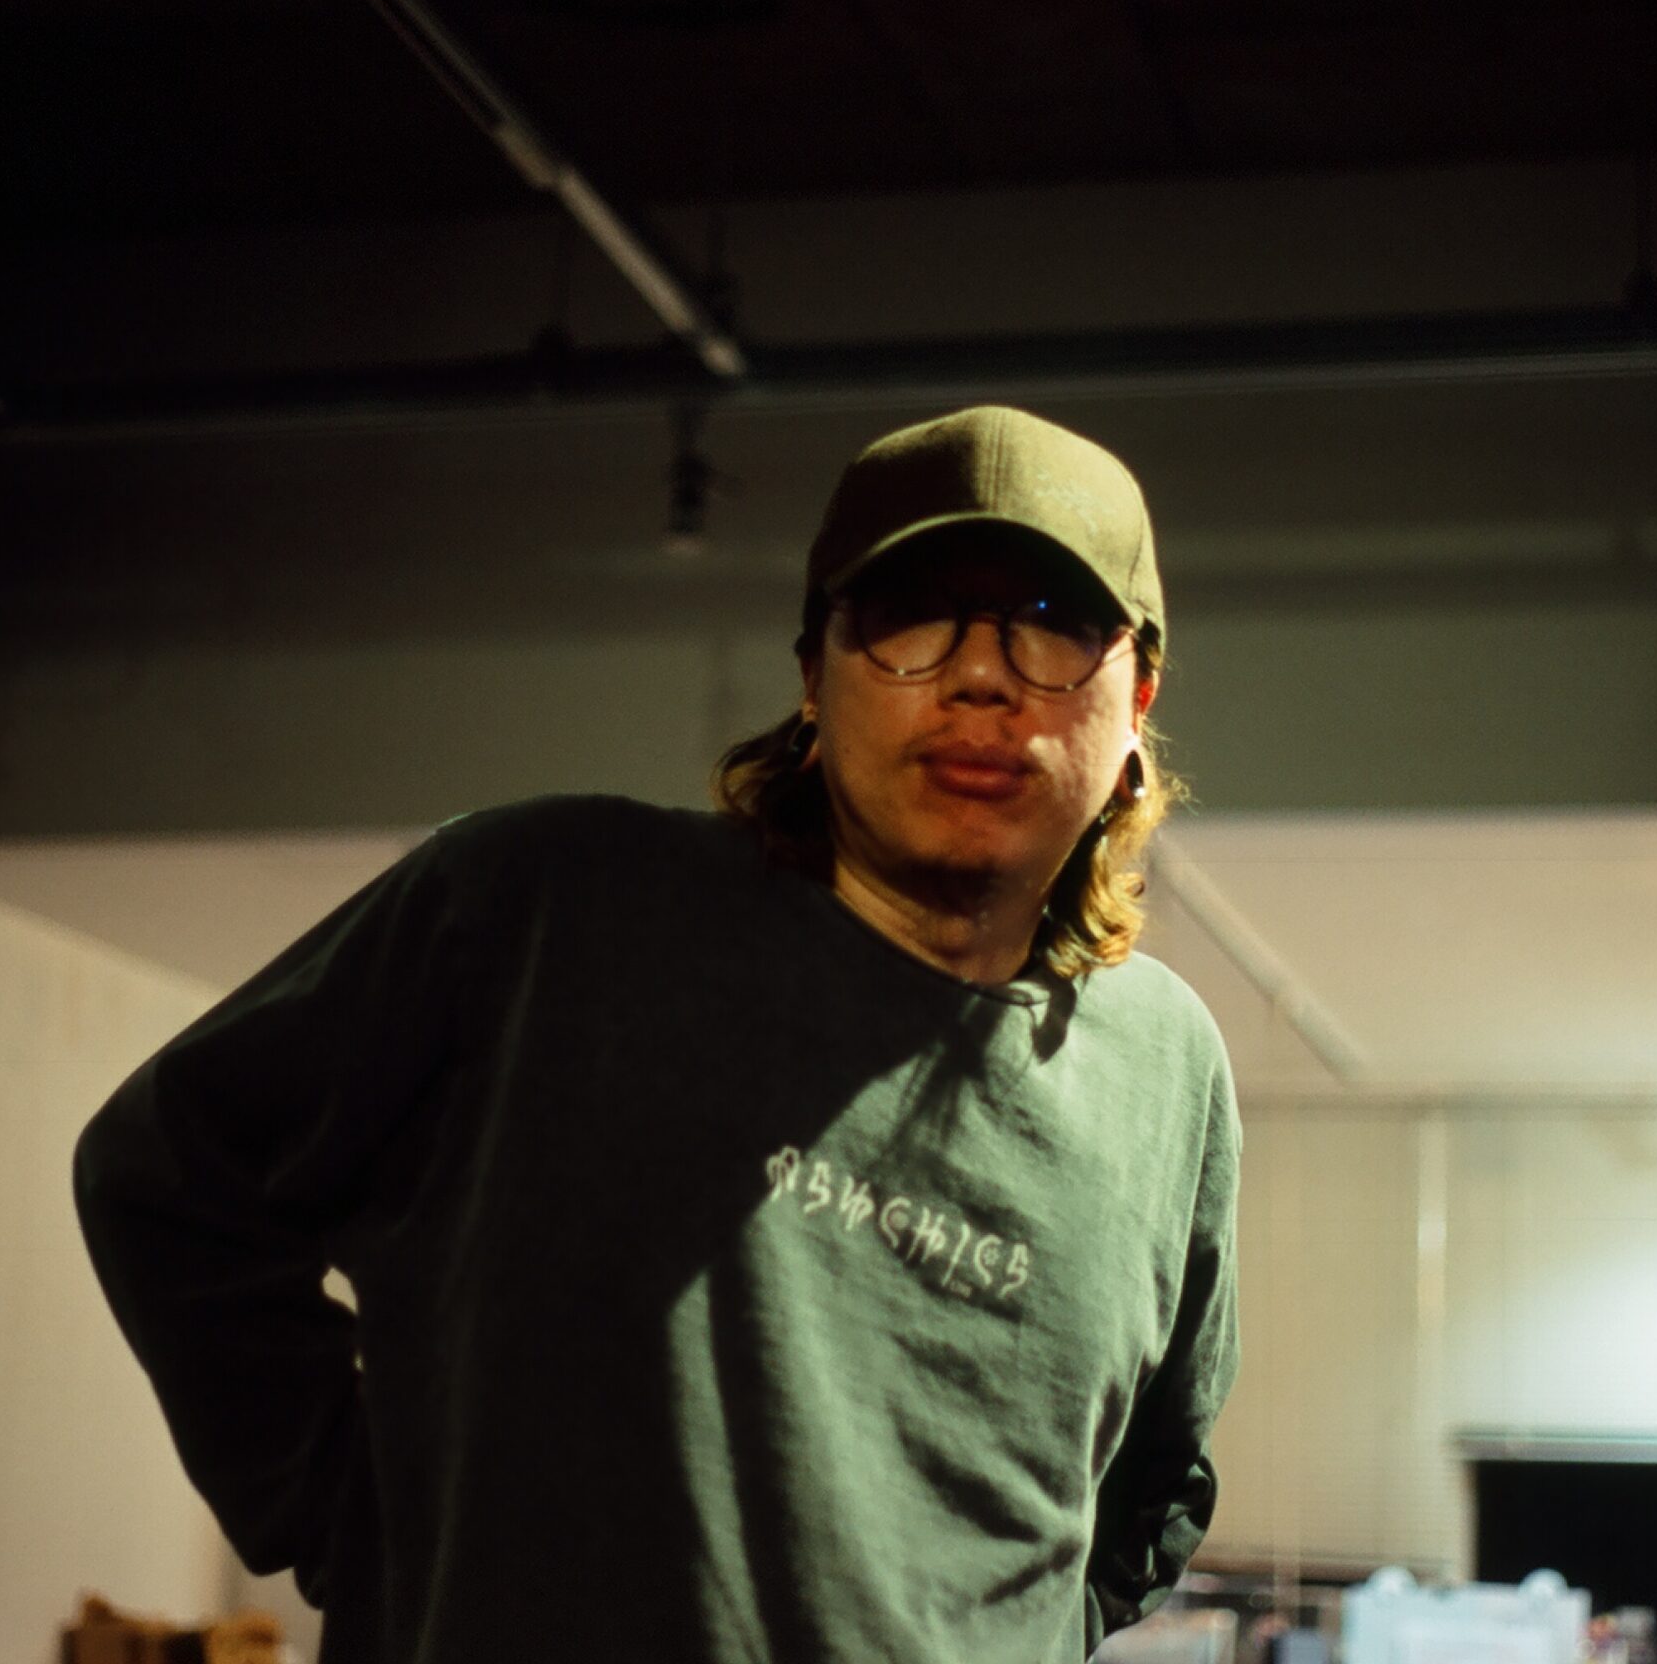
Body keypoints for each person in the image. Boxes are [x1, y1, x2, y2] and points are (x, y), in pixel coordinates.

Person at [71, 404, 1244, 1664]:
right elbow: (170, 1173)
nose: (980, 674)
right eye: (911, 615)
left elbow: (1155, 1491)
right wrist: (360, 1525)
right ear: (815, 675)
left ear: (1138, 696)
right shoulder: (543, 909)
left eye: (1053, 624)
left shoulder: (1166, 1071)